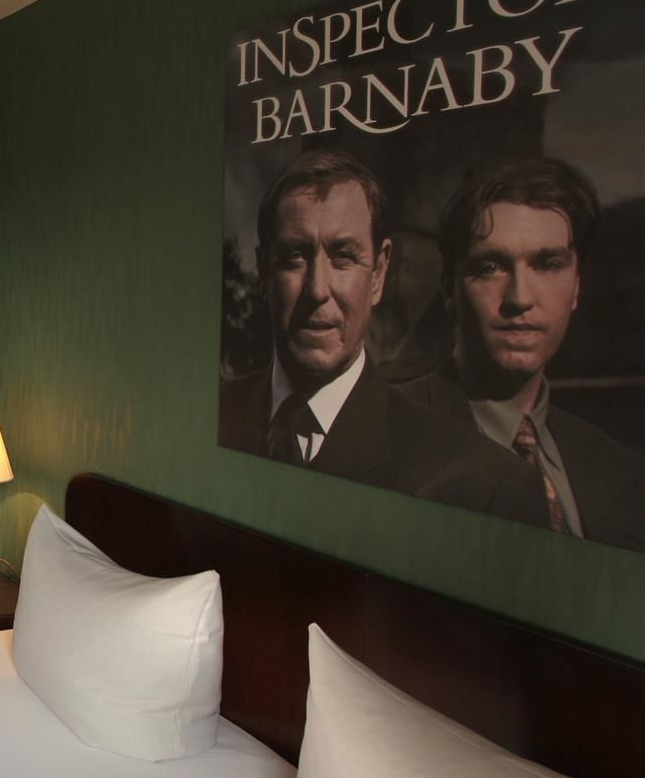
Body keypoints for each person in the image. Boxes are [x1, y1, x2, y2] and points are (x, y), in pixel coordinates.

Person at [218, 150, 550, 525]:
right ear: (263, 271)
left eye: (343, 257)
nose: (317, 289)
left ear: (378, 273)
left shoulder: (486, 485)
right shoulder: (206, 415)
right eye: (294, 256)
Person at [398, 156, 645, 549]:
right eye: (491, 266)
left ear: (576, 287)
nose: (519, 298)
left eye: (547, 264)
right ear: (449, 291)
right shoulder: (385, 434)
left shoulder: (623, 471)